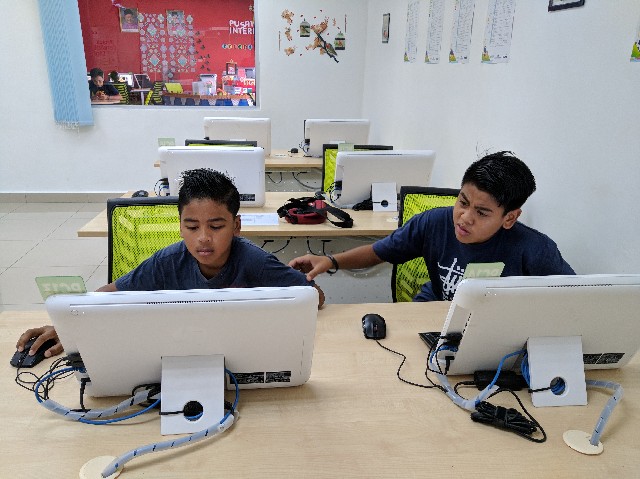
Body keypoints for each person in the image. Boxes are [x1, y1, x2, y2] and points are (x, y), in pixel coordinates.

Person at [17, 169, 325, 359]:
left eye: (216, 226)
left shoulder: (255, 261)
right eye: (191, 226)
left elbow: (315, 296)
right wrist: (68, 325)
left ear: (236, 226)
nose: (203, 238)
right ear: (180, 227)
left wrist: (292, 288)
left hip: (240, 356)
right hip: (178, 354)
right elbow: (111, 293)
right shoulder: (167, 261)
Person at [290, 151, 575, 301]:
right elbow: (379, 252)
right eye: (463, 202)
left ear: (510, 218)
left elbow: (575, 298)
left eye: (481, 213)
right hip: (434, 315)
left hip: (497, 333)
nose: (465, 217)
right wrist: (331, 261)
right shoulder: (434, 223)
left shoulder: (535, 250)